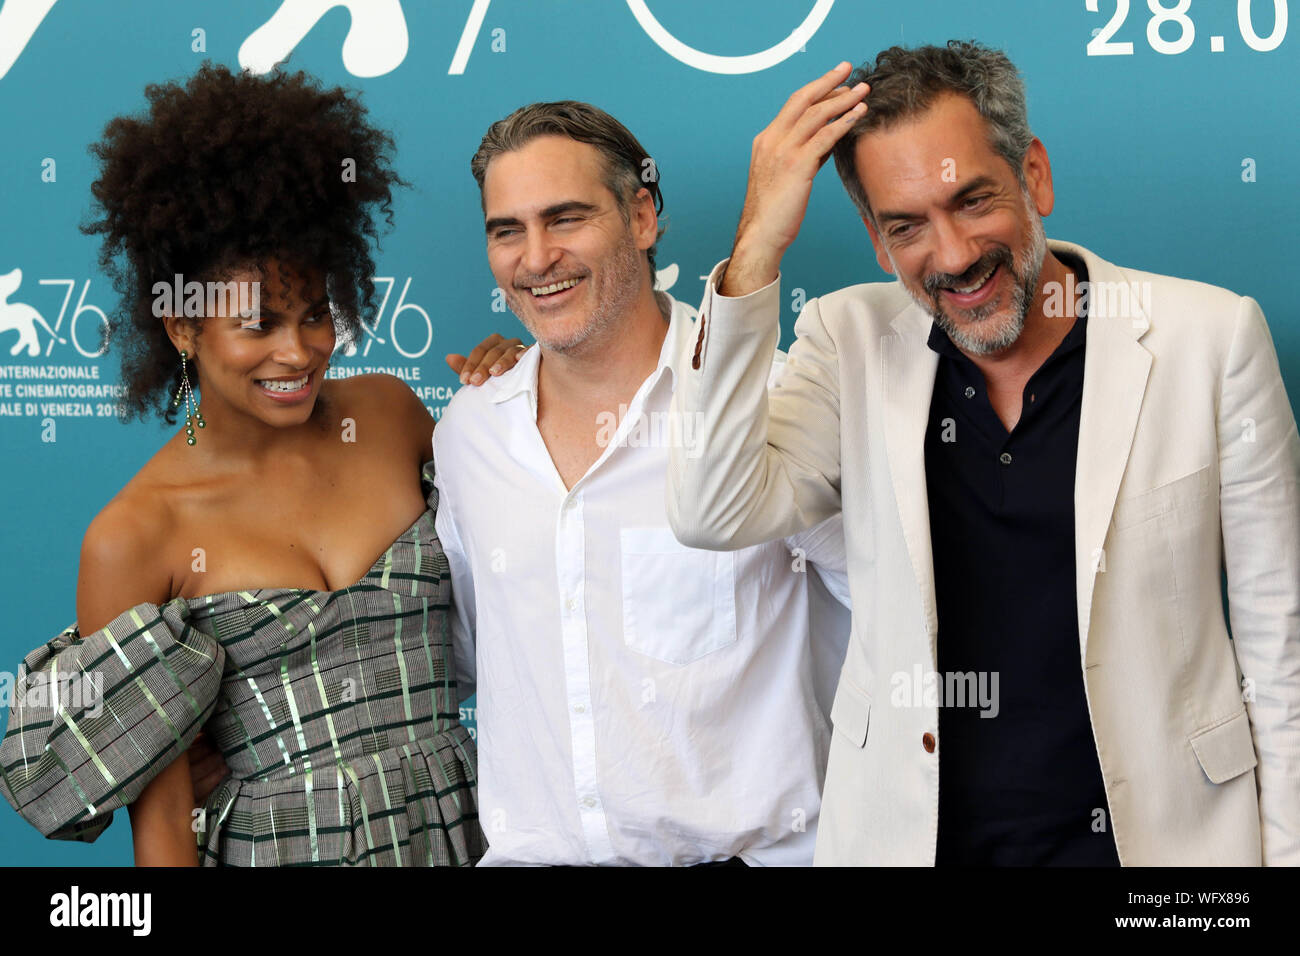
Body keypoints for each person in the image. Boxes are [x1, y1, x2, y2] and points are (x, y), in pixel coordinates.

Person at [666, 43, 1300, 865]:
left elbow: (1278, 644)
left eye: (972, 200)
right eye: (907, 226)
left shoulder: (1210, 339)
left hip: (1161, 853)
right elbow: (711, 509)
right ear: (875, 237)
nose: (955, 254)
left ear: (1032, 175)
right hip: (913, 842)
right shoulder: (845, 338)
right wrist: (756, 252)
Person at [0, 63, 525, 866]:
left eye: (316, 313)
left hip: (470, 830)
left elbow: (537, 556)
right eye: (259, 324)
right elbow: (166, 829)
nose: (299, 350)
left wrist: (523, 387)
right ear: (182, 328)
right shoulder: (135, 535)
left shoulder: (389, 415)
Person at [430, 100, 851, 866]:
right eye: (507, 231)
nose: (535, 258)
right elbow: (453, 650)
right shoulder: (470, 433)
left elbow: (905, 622)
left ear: (642, 216)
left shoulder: (778, 407)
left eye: (565, 218)